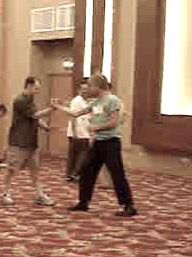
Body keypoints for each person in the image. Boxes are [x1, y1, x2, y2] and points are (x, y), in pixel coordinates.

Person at [59, 73, 137, 217]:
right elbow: (76, 114)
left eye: (90, 86)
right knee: (86, 171)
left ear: (98, 86)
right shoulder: (95, 102)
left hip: (111, 143)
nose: (88, 89)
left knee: (117, 174)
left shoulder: (112, 100)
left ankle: (129, 206)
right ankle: (83, 202)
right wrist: (58, 106)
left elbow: (114, 122)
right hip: (98, 143)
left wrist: (95, 128)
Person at [3, 77, 54, 206]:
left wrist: (45, 127)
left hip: (31, 142)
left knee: (35, 170)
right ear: (29, 86)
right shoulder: (20, 100)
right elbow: (35, 115)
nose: (37, 91)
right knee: (11, 169)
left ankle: (40, 195)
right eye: (36, 88)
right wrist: (52, 109)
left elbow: (34, 118)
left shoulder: (31, 100)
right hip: (19, 142)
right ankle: (5, 194)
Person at [55, 79, 91, 181]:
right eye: (83, 89)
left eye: (87, 89)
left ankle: (71, 174)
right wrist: (75, 132)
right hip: (78, 132)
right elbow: (73, 116)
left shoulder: (84, 100)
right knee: (82, 154)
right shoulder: (77, 100)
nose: (85, 91)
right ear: (78, 90)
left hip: (83, 131)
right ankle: (74, 173)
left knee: (75, 154)